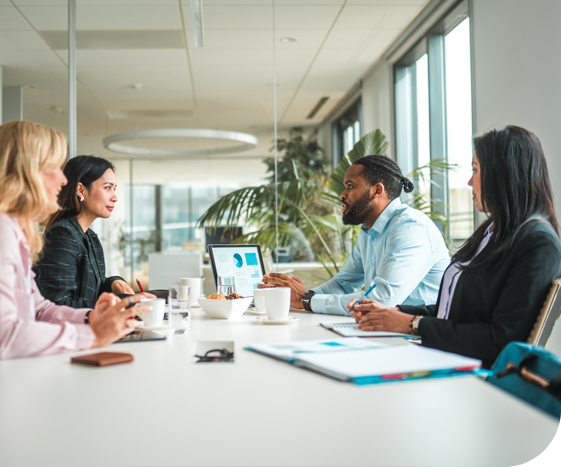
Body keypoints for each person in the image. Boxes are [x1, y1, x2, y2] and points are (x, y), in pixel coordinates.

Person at [349, 126, 561, 368]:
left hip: (475, 376)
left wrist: (411, 323)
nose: (470, 181)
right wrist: (395, 312)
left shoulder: (537, 242)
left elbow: (502, 340)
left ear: (503, 174)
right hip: (446, 357)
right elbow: (453, 309)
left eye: (475, 170)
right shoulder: (493, 231)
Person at [0, 121, 149, 359]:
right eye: (53, 167)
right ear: (24, 173)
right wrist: (92, 335)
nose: (62, 179)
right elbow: (5, 335)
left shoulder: (17, 234)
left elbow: (39, 308)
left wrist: (93, 317)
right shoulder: (5, 232)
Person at [262, 155, 450, 315]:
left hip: (418, 338)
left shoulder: (410, 228)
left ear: (377, 190)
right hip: (386, 331)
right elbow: (343, 284)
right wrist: (296, 296)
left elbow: (382, 300)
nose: (342, 194)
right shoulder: (369, 231)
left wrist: (306, 300)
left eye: (350, 186)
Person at [34, 155, 145, 309]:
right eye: (107, 188)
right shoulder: (63, 235)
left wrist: (112, 282)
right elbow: (58, 305)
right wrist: (123, 302)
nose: (115, 197)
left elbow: (90, 292)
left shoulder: (89, 237)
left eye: (114, 189)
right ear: (81, 190)